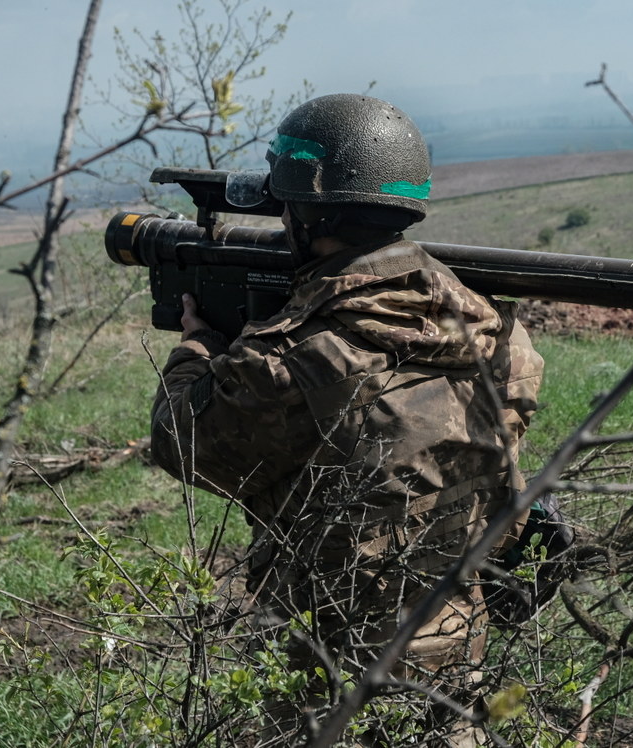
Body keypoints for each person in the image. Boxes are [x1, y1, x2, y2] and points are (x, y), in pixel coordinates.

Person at [149, 93, 544, 745]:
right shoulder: (500, 337)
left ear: (305, 211)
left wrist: (200, 349)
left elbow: (182, 443)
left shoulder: (297, 362)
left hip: (327, 678)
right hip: (454, 649)